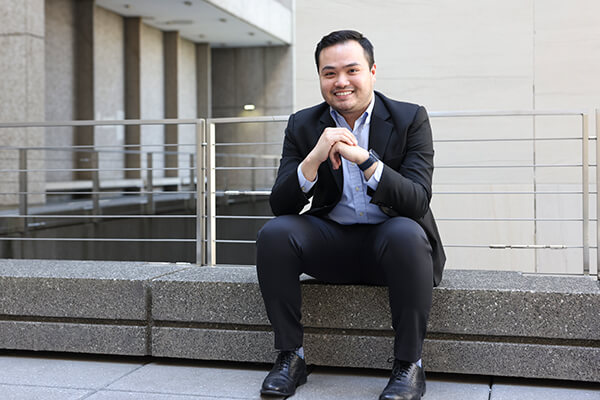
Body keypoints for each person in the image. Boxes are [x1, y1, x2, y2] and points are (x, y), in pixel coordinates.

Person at [256, 30, 445, 400]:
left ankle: (409, 365)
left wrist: (366, 160)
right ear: (321, 79)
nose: (341, 82)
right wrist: (315, 156)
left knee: (406, 232)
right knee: (275, 233)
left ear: (372, 71)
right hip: (333, 244)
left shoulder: (410, 118)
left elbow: (417, 200)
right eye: (329, 73)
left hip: (392, 247)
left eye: (351, 70)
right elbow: (281, 205)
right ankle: (290, 357)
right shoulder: (302, 125)